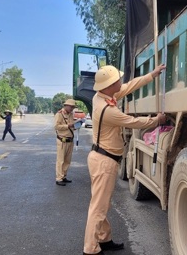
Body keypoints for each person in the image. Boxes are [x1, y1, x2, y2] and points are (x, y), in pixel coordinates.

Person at [83, 64, 166, 255]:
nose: (121, 81)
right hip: (105, 161)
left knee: (101, 203)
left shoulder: (101, 97)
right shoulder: (108, 110)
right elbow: (133, 122)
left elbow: (128, 87)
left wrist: (151, 75)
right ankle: (90, 249)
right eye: (118, 80)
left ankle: (104, 239)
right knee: (99, 207)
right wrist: (156, 120)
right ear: (110, 85)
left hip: (99, 158)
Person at [54, 99, 77, 186]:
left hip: (70, 140)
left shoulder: (71, 115)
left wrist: (75, 126)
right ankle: (59, 178)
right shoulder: (59, 114)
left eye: (73, 107)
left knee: (67, 161)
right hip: (62, 140)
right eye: (71, 106)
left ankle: (63, 176)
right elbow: (56, 126)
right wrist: (68, 126)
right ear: (66, 106)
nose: (72, 108)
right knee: (60, 160)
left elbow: (71, 125)